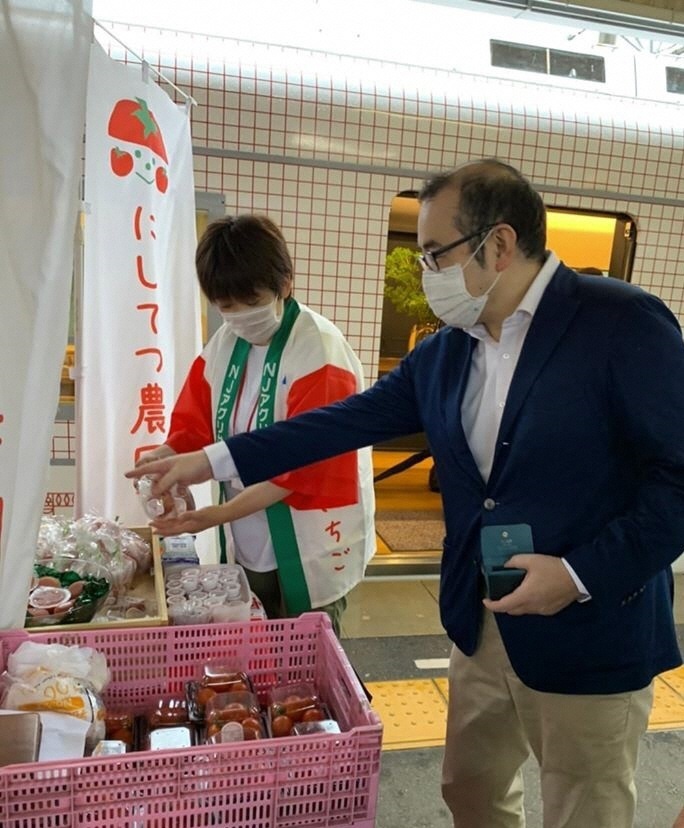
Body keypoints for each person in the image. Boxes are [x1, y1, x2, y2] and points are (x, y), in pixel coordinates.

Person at [127, 159, 684, 827]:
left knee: (583, 810)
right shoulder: (449, 350)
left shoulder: (620, 324)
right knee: (471, 792)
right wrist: (207, 460)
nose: (425, 273)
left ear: (498, 244)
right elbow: (341, 423)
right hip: (481, 619)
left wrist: (577, 573)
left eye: (433, 253)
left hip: (590, 627)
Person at [137, 214, 375, 636]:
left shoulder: (319, 350)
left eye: (251, 301)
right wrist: (166, 458)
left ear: (285, 283)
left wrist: (215, 514)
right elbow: (194, 423)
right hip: (249, 532)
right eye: (226, 306)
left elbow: (302, 468)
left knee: (305, 657)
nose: (240, 316)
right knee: (256, 644)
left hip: (308, 538)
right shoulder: (226, 343)